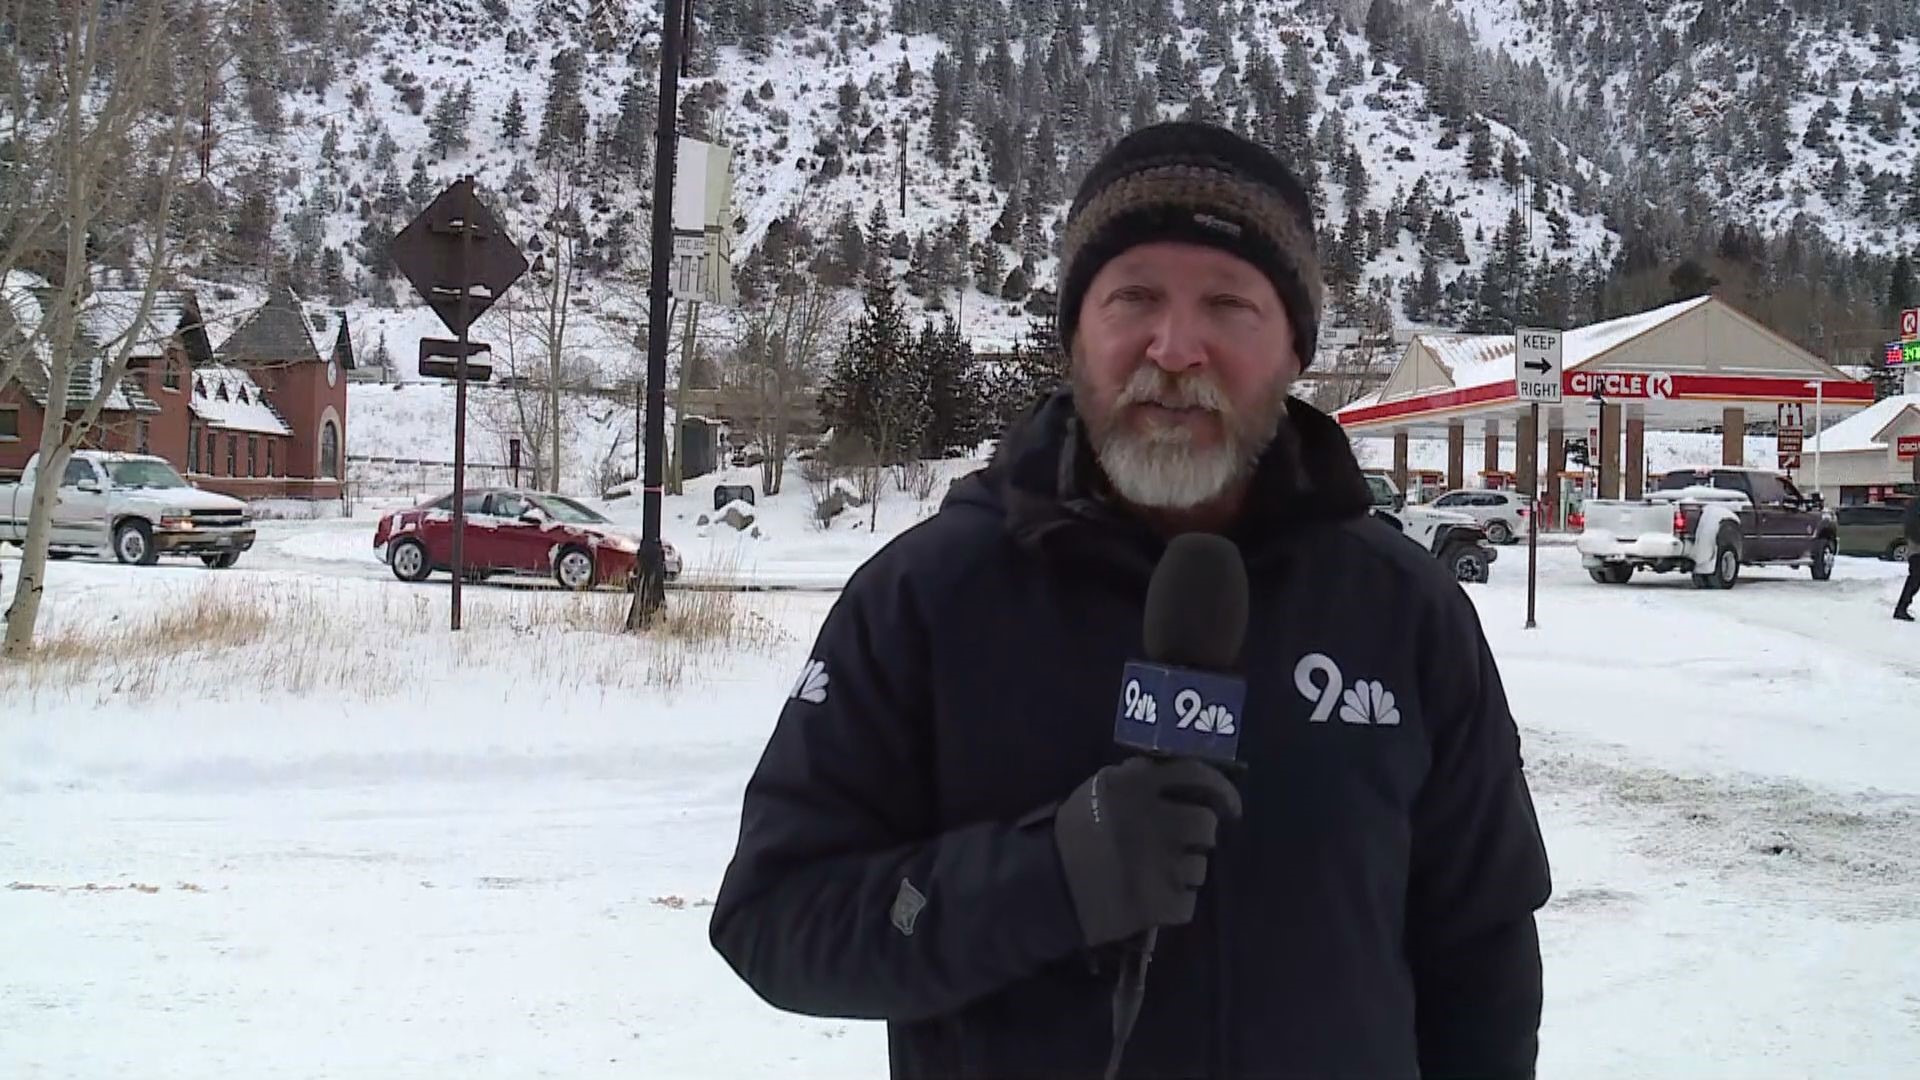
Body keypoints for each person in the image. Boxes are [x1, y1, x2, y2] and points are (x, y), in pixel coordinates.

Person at [709, 121, 1551, 1079]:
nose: (1175, 347)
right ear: (1077, 333)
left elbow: (1480, 953)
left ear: (1293, 352)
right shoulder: (926, 598)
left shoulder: (1406, 612)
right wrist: (1046, 878)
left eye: (1229, 304)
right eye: (1135, 297)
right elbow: (775, 919)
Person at [1896, 495, 1920, 621]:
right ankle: (1901, 608)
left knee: (1915, 579)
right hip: (1917, 547)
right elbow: (1911, 527)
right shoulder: (1916, 505)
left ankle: (1902, 608)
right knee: (1915, 578)